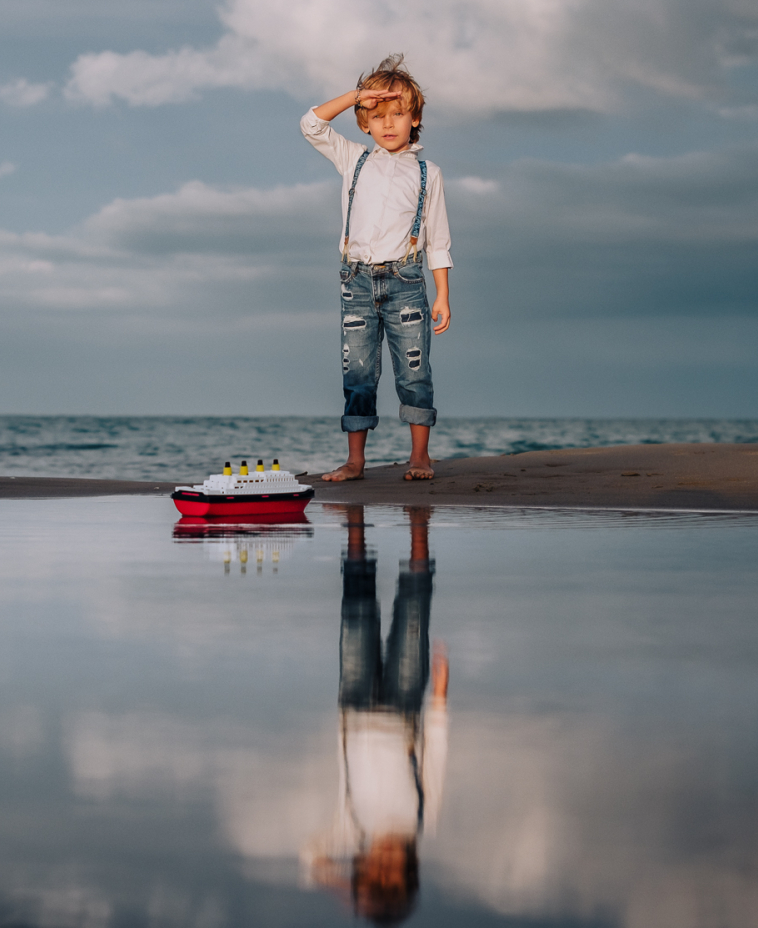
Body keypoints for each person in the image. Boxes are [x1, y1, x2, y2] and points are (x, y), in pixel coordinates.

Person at [301, 54, 453, 483]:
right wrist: (354, 96)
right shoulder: (353, 159)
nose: (388, 124)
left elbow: (437, 239)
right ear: (363, 122)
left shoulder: (428, 173)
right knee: (358, 373)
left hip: (406, 282)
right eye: (376, 115)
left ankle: (420, 456)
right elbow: (310, 124)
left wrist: (442, 294)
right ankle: (355, 461)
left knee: (414, 372)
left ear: (415, 118)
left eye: (397, 114)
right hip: (357, 282)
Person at [302, 505, 449, 925]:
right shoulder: (423, 821)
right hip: (404, 708)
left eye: (372, 873)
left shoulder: (351, 829)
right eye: (393, 874)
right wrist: (440, 700)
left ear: (360, 867)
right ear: (409, 869)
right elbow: (435, 760)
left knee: (357, 610)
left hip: (354, 703)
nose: (383, 864)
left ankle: (355, 529)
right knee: (413, 611)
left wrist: (351, 897)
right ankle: (419, 525)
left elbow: (311, 857)